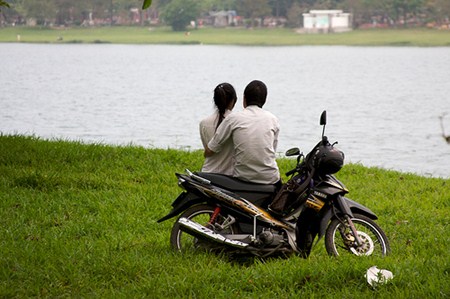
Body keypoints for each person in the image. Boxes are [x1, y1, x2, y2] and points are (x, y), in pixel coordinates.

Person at [205, 80, 280, 185]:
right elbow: (272, 150)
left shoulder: (233, 118)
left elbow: (212, 148)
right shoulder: (273, 119)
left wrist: (206, 152)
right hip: (270, 178)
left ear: (244, 99)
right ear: (265, 100)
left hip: (243, 177)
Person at [199, 83, 237, 175]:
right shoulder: (237, 122)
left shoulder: (203, 123)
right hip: (230, 176)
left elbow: (208, 150)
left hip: (207, 173)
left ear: (215, 100)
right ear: (234, 100)